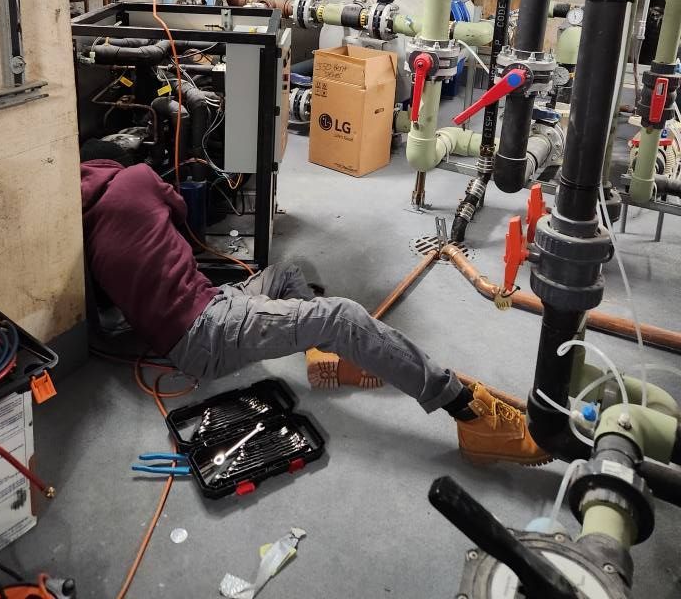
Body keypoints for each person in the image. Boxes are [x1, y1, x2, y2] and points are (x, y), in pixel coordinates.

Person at [80, 143, 550, 467]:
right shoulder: (136, 178)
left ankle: (318, 353)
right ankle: (466, 412)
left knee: (288, 271)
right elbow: (187, 218)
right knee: (340, 317)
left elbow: (108, 308)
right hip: (207, 329)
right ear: (112, 163)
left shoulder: (79, 227)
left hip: (208, 310)